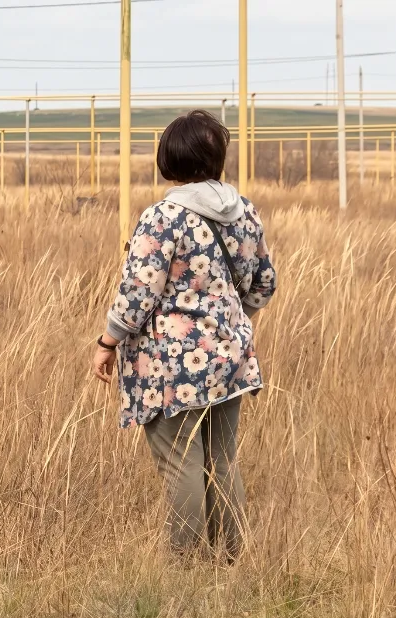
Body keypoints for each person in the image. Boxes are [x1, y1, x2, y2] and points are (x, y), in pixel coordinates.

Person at [92, 110, 276, 562]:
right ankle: (228, 564)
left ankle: (186, 572)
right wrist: (228, 319)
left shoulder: (163, 217)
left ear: (170, 157)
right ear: (216, 157)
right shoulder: (245, 211)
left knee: (181, 464)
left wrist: (107, 341)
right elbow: (264, 282)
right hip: (230, 357)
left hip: (169, 365)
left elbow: (138, 294)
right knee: (222, 461)